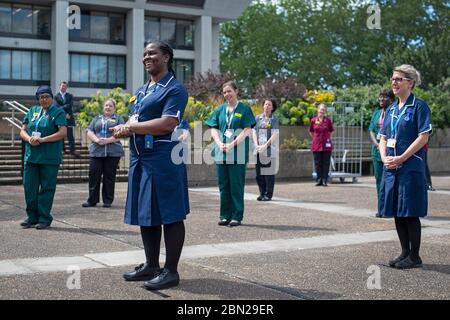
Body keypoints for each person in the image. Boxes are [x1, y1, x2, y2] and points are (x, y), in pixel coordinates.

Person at [110, 41, 189, 291]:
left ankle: (171, 271)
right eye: (144, 53)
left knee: (170, 214)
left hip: (163, 160)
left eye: (152, 53)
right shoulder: (142, 91)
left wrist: (132, 127)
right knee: (147, 213)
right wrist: (124, 128)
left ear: (166, 57)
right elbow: (138, 121)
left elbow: (167, 123)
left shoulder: (174, 89)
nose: (146, 57)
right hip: (140, 159)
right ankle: (151, 265)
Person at [379, 64, 432, 269]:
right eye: (393, 78)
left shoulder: (419, 106)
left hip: (410, 167)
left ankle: (415, 256)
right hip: (392, 168)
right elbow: (383, 137)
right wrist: (385, 157)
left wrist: (401, 157)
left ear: (410, 83)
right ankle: (404, 252)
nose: (394, 82)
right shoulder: (391, 109)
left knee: (410, 211)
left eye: (399, 79)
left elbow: (423, 136)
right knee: (397, 210)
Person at [206, 81, 256, 227]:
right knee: (223, 185)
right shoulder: (220, 109)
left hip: (237, 153)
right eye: (225, 92)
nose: (227, 94)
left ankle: (236, 216)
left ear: (236, 91)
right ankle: (224, 215)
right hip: (221, 152)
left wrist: (232, 144)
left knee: (236, 185)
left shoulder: (244, 109)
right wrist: (219, 142)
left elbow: (247, 129)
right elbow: (213, 128)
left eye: (229, 91)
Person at [19, 85, 67, 229]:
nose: (44, 99)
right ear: (38, 99)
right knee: (29, 188)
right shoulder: (32, 111)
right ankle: (32, 217)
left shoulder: (58, 112)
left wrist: (43, 140)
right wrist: (29, 139)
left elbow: (62, 132)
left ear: (52, 97)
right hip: (31, 157)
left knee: (47, 188)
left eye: (47, 96)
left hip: (49, 158)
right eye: (41, 97)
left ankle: (44, 218)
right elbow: (23, 130)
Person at [82, 99, 125, 208]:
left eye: (110, 106)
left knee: (109, 177)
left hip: (113, 152)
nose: (108, 107)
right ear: (103, 107)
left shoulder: (119, 119)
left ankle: (107, 200)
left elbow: (122, 132)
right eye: (106, 105)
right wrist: (96, 140)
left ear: (114, 108)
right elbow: (89, 131)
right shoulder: (96, 119)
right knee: (94, 175)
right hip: (96, 151)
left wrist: (108, 140)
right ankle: (92, 200)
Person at [369, 89, 395, 217]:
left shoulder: (395, 112)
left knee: (390, 181)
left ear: (391, 99)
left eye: (384, 97)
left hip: (391, 151)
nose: (381, 100)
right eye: (380, 97)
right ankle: (381, 209)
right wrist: (377, 144)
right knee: (379, 181)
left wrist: (384, 145)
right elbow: (371, 130)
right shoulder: (376, 113)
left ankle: (390, 209)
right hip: (377, 152)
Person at [252, 99, 279, 201]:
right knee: (259, 174)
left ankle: (268, 194)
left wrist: (265, 145)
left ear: (272, 108)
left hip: (269, 150)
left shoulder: (274, 119)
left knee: (268, 173)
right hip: (258, 149)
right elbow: (254, 131)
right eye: (265, 104)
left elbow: (275, 134)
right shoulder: (258, 118)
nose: (267, 106)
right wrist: (256, 144)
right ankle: (262, 193)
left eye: (269, 105)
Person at [309, 103, 334, 186]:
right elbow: (311, 131)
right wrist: (315, 138)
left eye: (323, 110)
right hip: (316, 145)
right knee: (317, 163)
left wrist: (327, 138)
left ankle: (324, 180)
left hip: (326, 145)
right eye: (320, 109)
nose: (321, 111)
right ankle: (319, 179)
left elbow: (331, 131)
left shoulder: (328, 121)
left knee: (326, 162)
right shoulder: (313, 120)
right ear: (318, 110)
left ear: (325, 111)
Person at [54, 81, 79, 157]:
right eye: (62, 86)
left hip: (69, 118)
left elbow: (70, 105)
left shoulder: (70, 96)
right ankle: (62, 150)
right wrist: (64, 114)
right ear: (60, 87)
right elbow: (56, 106)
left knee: (70, 135)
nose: (63, 87)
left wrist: (63, 109)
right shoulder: (56, 96)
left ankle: (72, 150)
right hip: (61, 117)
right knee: (61, 135)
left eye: (65, 86)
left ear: (66, 87)